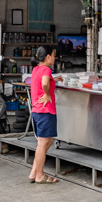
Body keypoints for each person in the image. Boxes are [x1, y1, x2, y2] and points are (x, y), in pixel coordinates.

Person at [29, 45, 59, 184]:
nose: (54, 57)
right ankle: (39, 175)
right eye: (53, 55)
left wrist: (56, 80)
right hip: (45, 111)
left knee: (48, 141)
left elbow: (45, 80)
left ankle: (34, 171)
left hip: (37, 111)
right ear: (48, 57)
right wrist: (47, 94)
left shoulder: (36, 69)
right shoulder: (46, 69)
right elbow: (45, 82)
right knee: (42, 143)